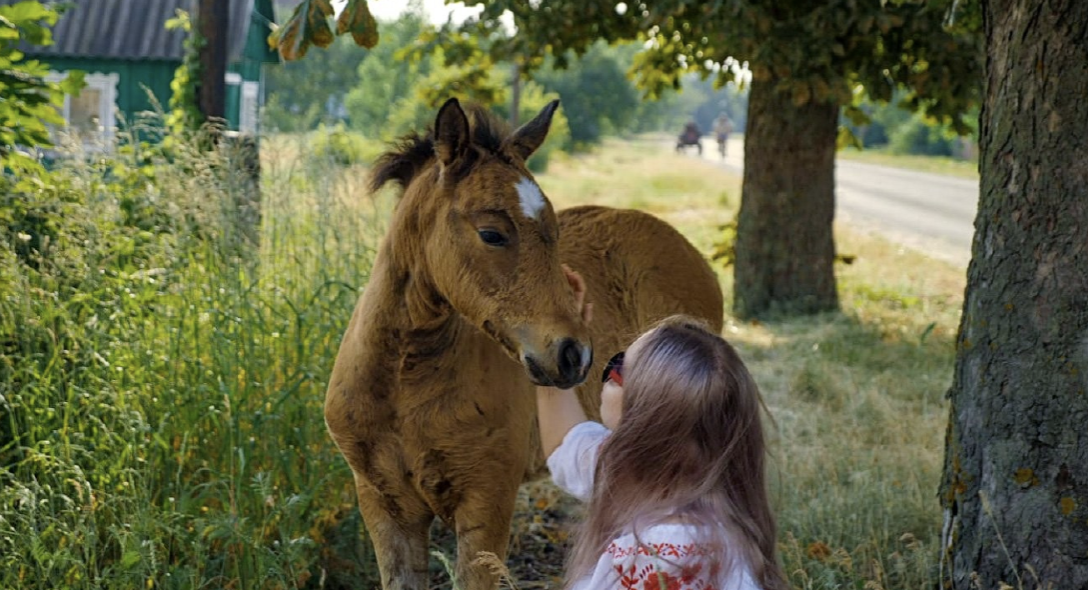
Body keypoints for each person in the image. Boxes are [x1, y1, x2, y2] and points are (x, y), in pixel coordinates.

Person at [536, 267, 787, 590]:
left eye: (618, 369)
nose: (608, 371)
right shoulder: (660, 469)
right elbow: (563, 444)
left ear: (647, 419)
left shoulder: (666, 555)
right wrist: (557, 339)